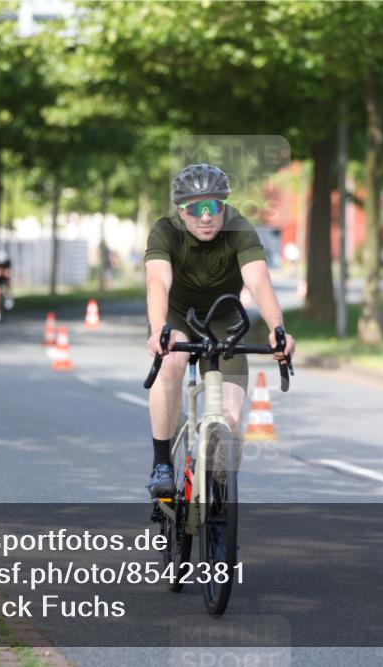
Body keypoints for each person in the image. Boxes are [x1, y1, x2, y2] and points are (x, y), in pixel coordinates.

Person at [144, 163, 295, 497]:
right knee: (170, 364)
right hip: (178, 315)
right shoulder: (164, 232)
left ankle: (221, 511)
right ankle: (161, 464)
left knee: (229, 419)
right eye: (195, 208)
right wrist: (159, 331)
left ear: (223, 207)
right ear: (181, 212)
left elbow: (258, 280)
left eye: (213, 206)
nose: (205, 216)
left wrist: (277, 329)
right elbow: (157, 282)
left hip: (226, 320)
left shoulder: (239, 229)